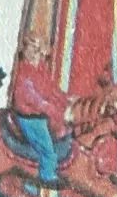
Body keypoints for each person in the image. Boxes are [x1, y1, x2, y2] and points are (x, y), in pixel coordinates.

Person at [9, 35, 71, 186]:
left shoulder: (40, 68)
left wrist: (65, 101)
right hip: (30, 118)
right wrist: (54, 110)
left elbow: (51, 88)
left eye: (40, 52)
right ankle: (47, 176)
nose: (40, 56)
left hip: (41, 115)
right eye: (37, 52)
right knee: (47, 149)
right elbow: (34, 99)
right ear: (28, 52)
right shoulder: (24, 73)